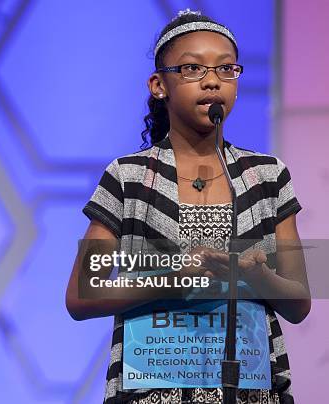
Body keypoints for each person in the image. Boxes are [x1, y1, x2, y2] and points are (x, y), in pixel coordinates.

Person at [65, 10, 311, 404]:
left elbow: (299, 302)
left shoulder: (267, 176)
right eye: (193, 68)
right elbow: (82, 293)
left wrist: (256, 276)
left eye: (226, 69)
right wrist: (179, 278)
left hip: (249, 389)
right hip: (151, 391)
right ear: (159, 85)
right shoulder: (128, 176)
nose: (212, 80)